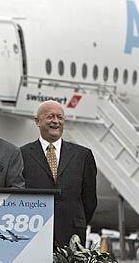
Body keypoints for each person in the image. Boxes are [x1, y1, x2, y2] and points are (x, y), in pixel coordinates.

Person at [20, 100, 97, 246]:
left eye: (60, 117)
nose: (56, 121)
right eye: (50, 117)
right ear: (37, 121)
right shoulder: (21, 154)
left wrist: (76, 220)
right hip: (33, 234)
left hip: (72, 235)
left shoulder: (83, 155)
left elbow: (90, 200)